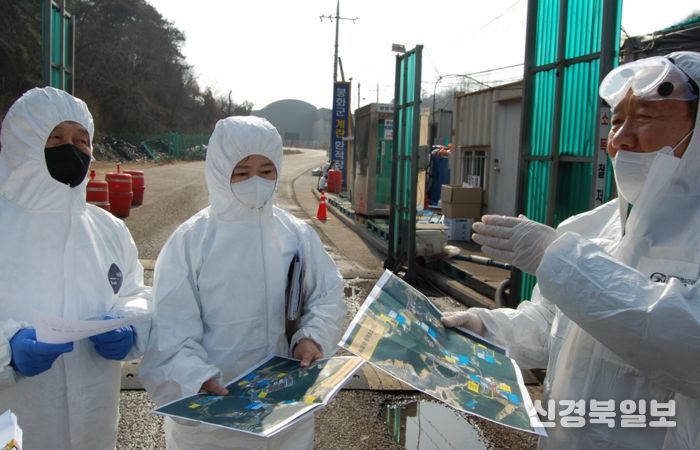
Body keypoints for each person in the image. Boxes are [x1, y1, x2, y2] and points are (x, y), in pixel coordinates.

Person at [442, 51, 700, 449]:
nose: (620, 139)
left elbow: (688, 349)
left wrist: (561, 261)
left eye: (646, 117)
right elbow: (549, 327)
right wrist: (485, 328)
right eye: (617, 121)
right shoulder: (587, 227)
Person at [139, 116, 346, 449]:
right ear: (219, 171)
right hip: (214, 417)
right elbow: (170, 327)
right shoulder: (192, 241)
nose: (256, 182)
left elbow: (326, 295)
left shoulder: (295, 235)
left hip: (285, 415)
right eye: (242, 172)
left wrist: (312, 338)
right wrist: (194, 378)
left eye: (266, 171)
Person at [0, 87, 152, 449]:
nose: (72, 149)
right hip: (15, 418)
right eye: (56, 138)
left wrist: (131, 326)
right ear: (23, 141)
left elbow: (134, 292)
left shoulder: (108, 228)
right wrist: (7, 351)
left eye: (82, 140)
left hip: (94, 422)